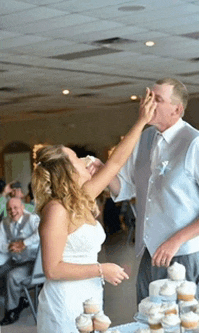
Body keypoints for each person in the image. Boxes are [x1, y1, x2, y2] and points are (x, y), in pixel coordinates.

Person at [31, 89, 156, 333]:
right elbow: (52, 269)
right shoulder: (56, 210)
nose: (85, 160)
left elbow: (116, 162)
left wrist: (141, 121)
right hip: (64, 301)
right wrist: (101, 269)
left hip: (91, 293)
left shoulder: (80, 198)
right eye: (76, 158)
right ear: (66, 172)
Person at [109, 78, 199, 304]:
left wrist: (175, 240)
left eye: (157, 99)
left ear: (177, 110)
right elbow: (127, 186)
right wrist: (103, 172)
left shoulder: (197, 144)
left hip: (186, 254)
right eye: (148, 98)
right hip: (150, 254)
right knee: (150, 319)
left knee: (189, 323)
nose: (149, 104)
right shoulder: (143, 139)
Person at [0, 197, 40, 326]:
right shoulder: (4, 223)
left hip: (32, 262)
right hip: (15, 259)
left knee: (11, 276)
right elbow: (0, 244)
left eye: (15, 208)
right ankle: (18, 301)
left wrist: (24, 243)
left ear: (22, 207)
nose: (13, 211)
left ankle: (12, 310)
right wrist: (11, 246)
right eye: (9, 209)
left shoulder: (32, 219)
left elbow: (41, 233)